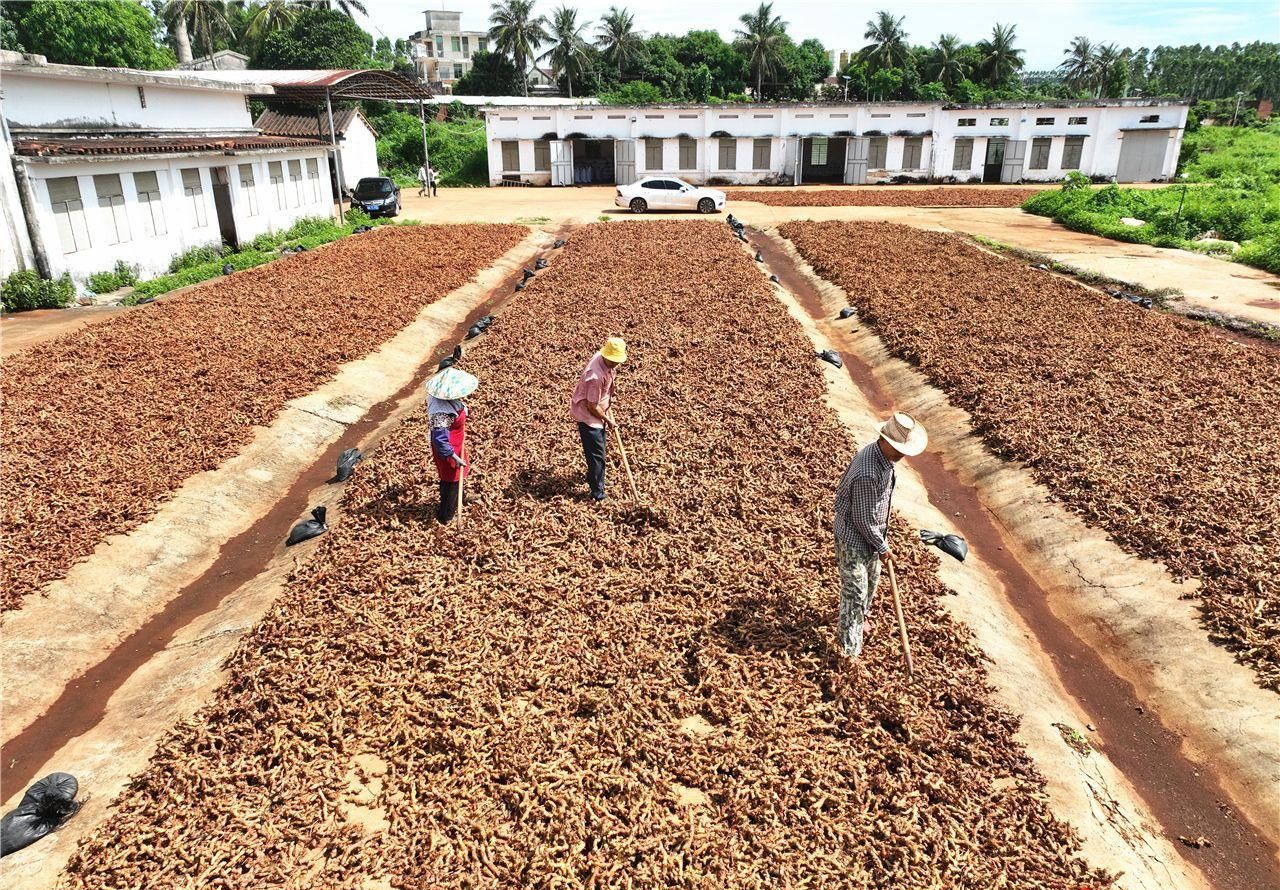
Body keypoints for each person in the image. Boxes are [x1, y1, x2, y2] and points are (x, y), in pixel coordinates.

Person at [832, 412, 928, 659]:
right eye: (896, 448)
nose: (901, 454)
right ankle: (849, 651)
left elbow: (875, 508)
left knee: (871, 580)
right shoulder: (868, 472)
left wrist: (880, 542)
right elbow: (862, 518)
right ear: (883, 440)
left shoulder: (885, 459)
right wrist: (883, 546)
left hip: (872, 536)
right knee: (855, 593)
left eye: (902, 449)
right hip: (853, 538)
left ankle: (860, 617)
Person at [570, 337, 627, 502]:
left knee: (599, 452)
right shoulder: (595, 377)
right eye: (614, 361)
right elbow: (591, 407)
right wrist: (608, 420)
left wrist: (608, 400)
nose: (616, 364)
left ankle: (598, 480)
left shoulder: (602, 358)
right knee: (596, 455)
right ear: (607, 356)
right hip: (589, 417)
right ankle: (598, 493)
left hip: (598, 409)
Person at [425, 366, 478, 524]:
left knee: (458, 476)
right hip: (448, 449)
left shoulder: (442, 397)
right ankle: (446, 515)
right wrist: (452, 456)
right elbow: (439, 439)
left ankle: (460, 496)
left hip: (456, 442)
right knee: (451, 480)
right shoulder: (441, 412)